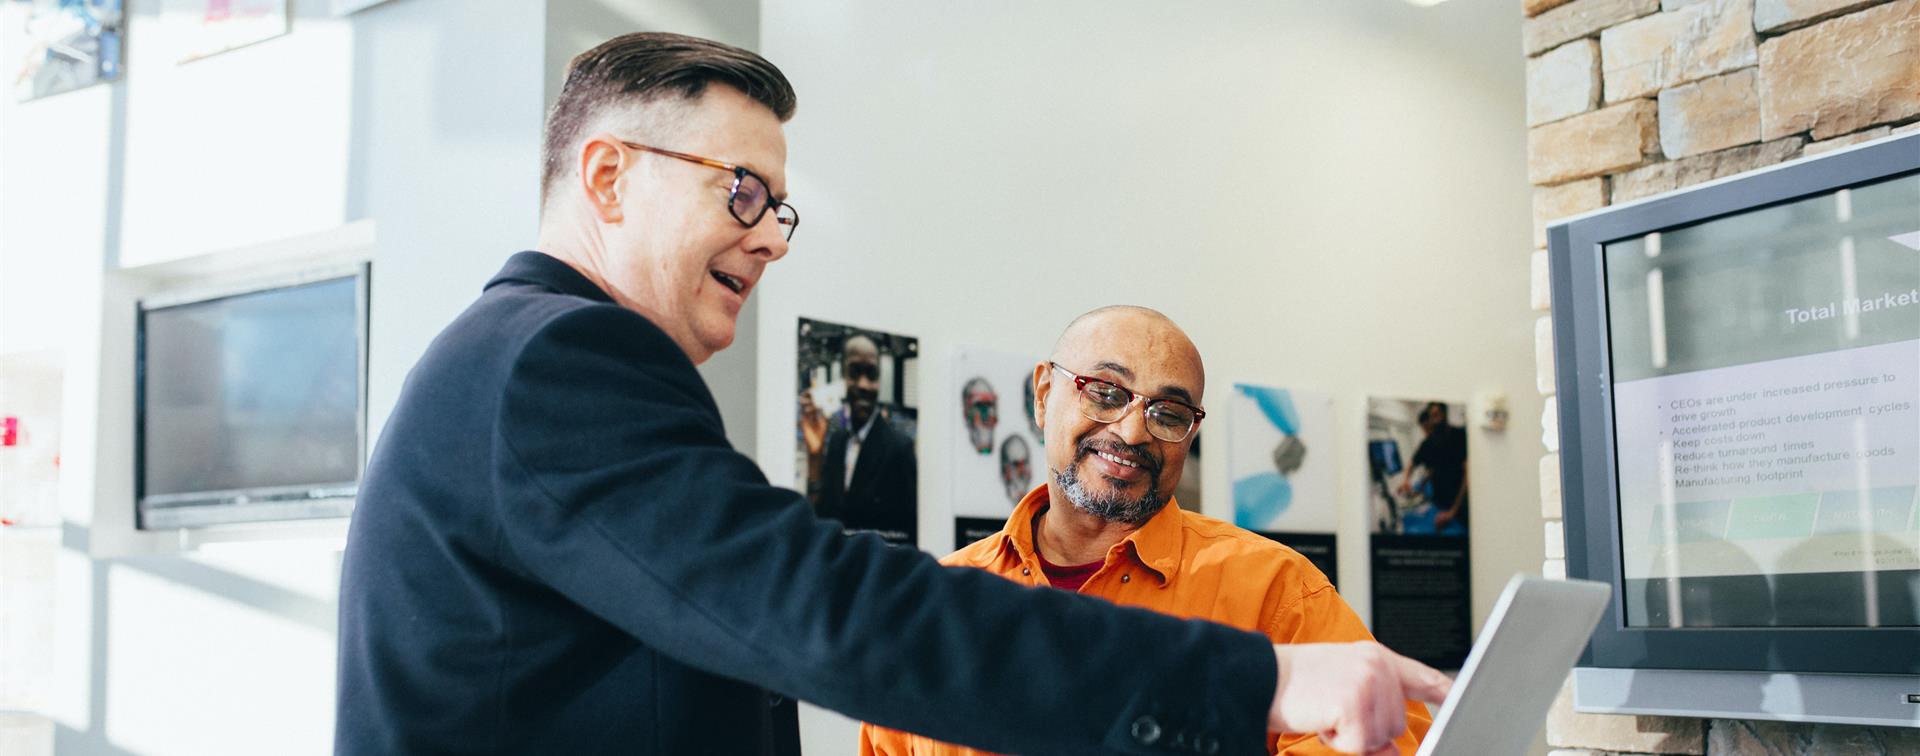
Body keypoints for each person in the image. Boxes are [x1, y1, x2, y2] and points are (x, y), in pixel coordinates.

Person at [335, 31, 1449, 756]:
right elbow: (825, 608)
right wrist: (1249, 682)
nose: (771, 238)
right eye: (742, 194)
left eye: (780, 208)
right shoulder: (556, 363)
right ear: (609, 177)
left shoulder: (525, 362)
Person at [860, 307, 1435, 756]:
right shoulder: (941, 603)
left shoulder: (1275, 593)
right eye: (1105, 393)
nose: (1133, 431)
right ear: (1043, 395)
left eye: (1168, 413)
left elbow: (1388, 741)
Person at [800, 334, 918, 542]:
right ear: (843, 377)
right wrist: (815, 456)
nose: (863, 385)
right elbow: (822, 518)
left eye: (871, 375)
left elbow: (908, 537)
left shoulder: (899, 448)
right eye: (855, 373)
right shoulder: (837, 441)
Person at [1396, 402, 1468, 533]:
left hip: (1459, 507)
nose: (1435, 420)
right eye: (1432, 416)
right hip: (1439, 504)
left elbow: (1468, 475)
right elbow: (1414, 463)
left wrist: (1453, 511)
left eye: (1437, 415)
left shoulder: (1459, 435)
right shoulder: (1429, 442)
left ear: (1445, 414)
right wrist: (1406, 480)